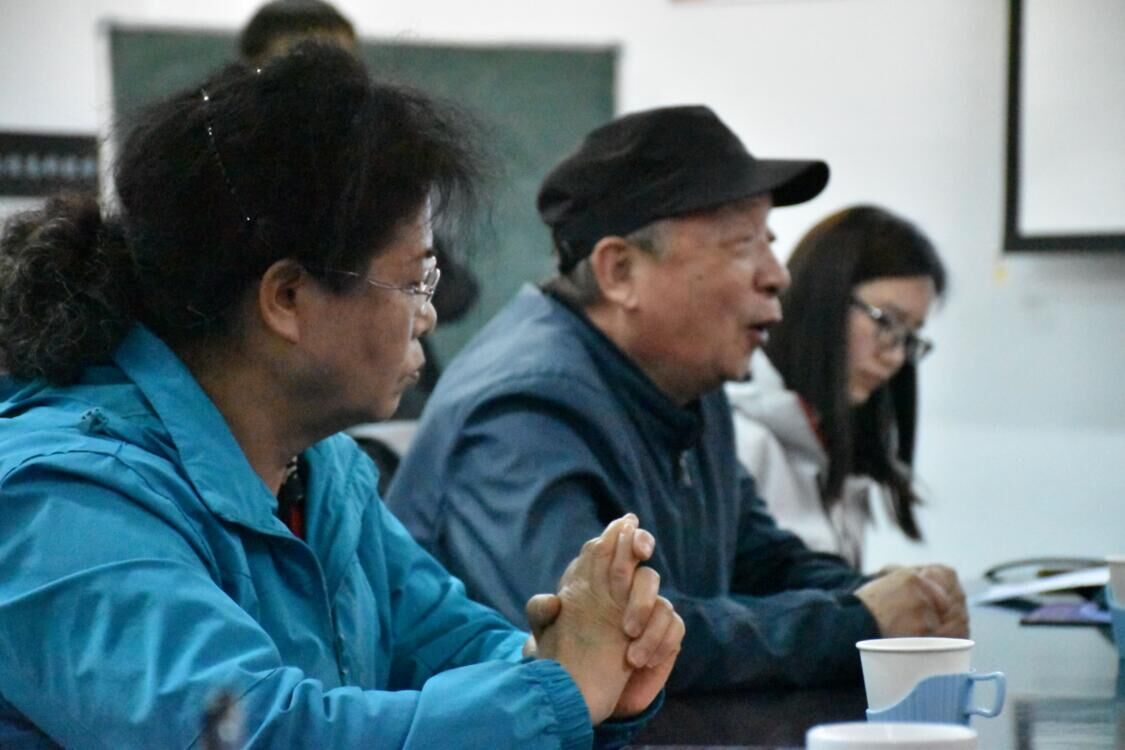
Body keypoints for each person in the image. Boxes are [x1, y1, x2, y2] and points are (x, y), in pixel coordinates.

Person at [0, 45, 685, 748]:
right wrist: (558, 691)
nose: (428, 316)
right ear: (288, 298)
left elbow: (449, 643)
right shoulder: (60, 502)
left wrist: (583, 667)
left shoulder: (320, 473)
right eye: (414, 282)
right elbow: (257, 734)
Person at [387, 105, 968, 692]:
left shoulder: (684, 385)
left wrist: (887, 595)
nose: (777, 275)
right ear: (619, 271)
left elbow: (762, 560)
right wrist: (860, 623)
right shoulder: (523, 409)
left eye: (769, 242)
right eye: (743, 245)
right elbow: (605, 643)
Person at [727, 206, 947, 569]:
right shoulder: (740, 438)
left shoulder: (839, 435)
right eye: (887, 322)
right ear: (823, 300)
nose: (895, 356)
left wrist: (872, 592)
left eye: (910, 335)